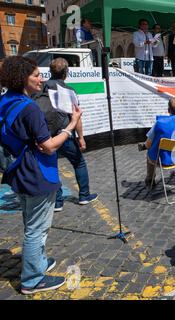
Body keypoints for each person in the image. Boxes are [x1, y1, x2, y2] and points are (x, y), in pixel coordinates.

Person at [0, 56, 82, 294]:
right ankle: (32, 279)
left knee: (31, 222)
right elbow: (49, 146)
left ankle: (39, 262)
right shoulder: (30, 108)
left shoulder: (5, 101)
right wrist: (71, 125)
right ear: (21, 78)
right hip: (37, 173)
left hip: (16, 172)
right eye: (36, 75)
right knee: (37, 229)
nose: (41, 78)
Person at [35, 58, 98, 211]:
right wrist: (81, 137)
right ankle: (84, 195)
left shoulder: (39, 88)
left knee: (52, 167)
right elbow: (76, 117)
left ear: (50, 71)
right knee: (79, 163)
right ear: (66, 73)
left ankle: (57, 202)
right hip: (66, 134)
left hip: (46, 136)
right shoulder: (69, 91)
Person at [142, 98, 175, 189]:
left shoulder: (159, 124)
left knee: (149, 153)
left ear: (168, 110)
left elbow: (148, 144)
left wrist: (144, 146)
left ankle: (150, 179)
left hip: (160, 160)